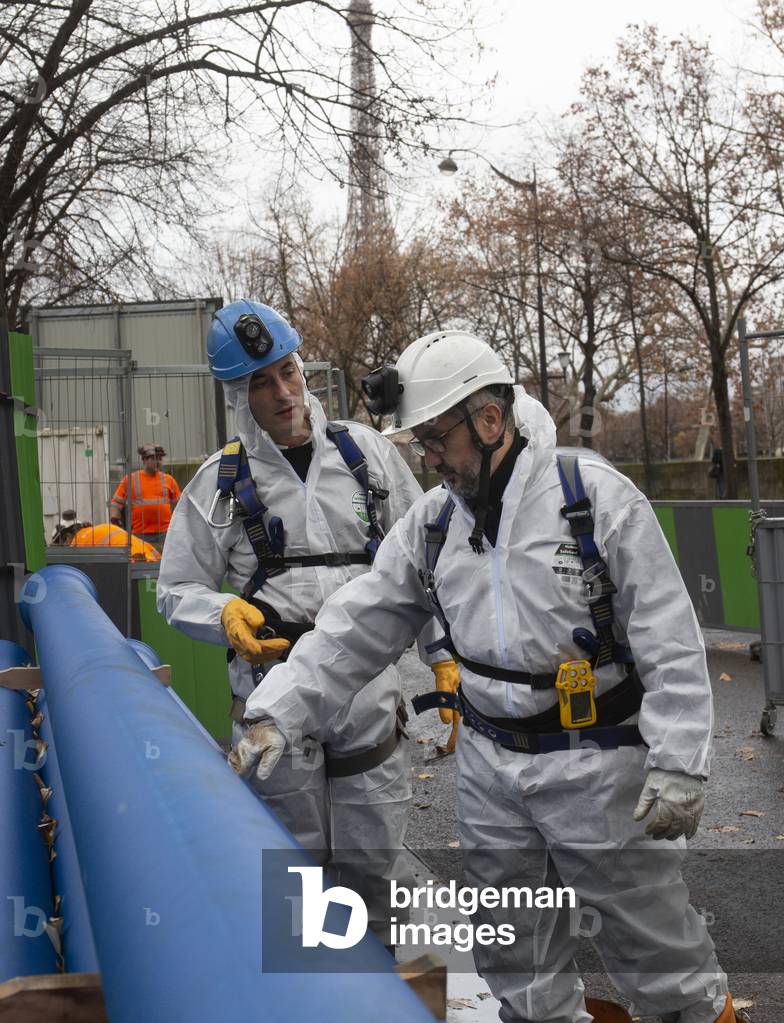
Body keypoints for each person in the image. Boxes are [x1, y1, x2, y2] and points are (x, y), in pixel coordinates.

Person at [232, 330, 748, 1023]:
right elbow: (355, 625)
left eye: (436, 437)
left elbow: (668, 634)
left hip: (597, 759)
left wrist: (680, 760)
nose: (427, 455)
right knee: (515, 951)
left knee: (653, 943)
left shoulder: (592, 499)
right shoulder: (435, 524)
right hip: (489, 768)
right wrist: (277, 709)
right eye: (419, 441)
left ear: (491, 419)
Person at [156, 300, 455, 946]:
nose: (284, 393)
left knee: (375, 874)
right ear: (240, 395)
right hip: (275, 702)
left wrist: (443, 659)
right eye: (262, 382)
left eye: (288, 371)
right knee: (299, 883)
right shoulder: (219, 486)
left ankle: (382, 1000)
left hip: (368, 700)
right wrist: (221, 611)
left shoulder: (367, 457)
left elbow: (425, 564)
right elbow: (174, 589)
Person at [110, 444, 180, 551]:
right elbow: (116, 503)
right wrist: (115, 519)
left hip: (165, 534)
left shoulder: (168, 480)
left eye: (160, 458)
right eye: (154, 458)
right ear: (144, 460)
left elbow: (180, 505)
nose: (158, 461)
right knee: (142, 562)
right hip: (140, 534)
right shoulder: (130, 480)